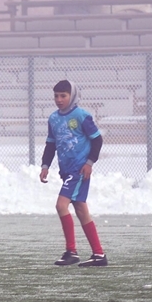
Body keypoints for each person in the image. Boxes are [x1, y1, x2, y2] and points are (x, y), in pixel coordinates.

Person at [40, 79, 106, 267]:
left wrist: (89, 163)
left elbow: (97, 140)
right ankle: (99, 255)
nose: (59, 100)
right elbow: (51, 144)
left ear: (72, 96)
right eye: (56, 96)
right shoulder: (53, 118)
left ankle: (71, 251)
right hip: (67, 171)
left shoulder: (81, 115)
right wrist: (45, 165)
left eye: (63, 96)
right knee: (81, 210)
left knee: (61, 206)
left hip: (78, 170)